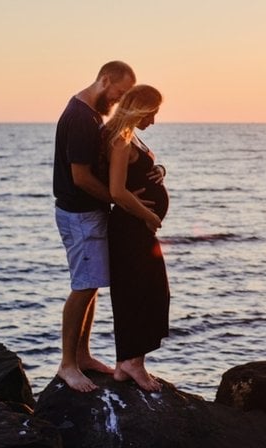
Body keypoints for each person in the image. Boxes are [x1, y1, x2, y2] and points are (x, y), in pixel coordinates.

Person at [52, 60, 136, 392]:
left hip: (87, 215)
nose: (119, 100)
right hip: (80, 215)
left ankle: (83, 355)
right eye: (120, 92)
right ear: (104, 80)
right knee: (83, 287)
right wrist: (117, 199)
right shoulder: (80, 118)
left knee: (92, 284)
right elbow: (81, 177)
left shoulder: (89, 114)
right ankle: (67, 365)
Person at [102, 85, 170, 392]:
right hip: (130, 229)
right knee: (140, 294)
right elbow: (117, 191)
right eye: (152, 113)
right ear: (140, 109)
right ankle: (132, 363)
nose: (154, 121)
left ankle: (124, 364)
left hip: (136, 227)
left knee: (150, 291)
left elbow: (138, 172)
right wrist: (147, 214)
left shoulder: (131, 135)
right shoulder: (119, 140)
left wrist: (160, 171)